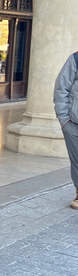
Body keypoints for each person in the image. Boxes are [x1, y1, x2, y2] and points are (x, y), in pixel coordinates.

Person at [54, 51, 78, 210]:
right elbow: (61, 88)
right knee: (77, 160)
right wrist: (64, 119)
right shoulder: (76, 58)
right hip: (74, 123)